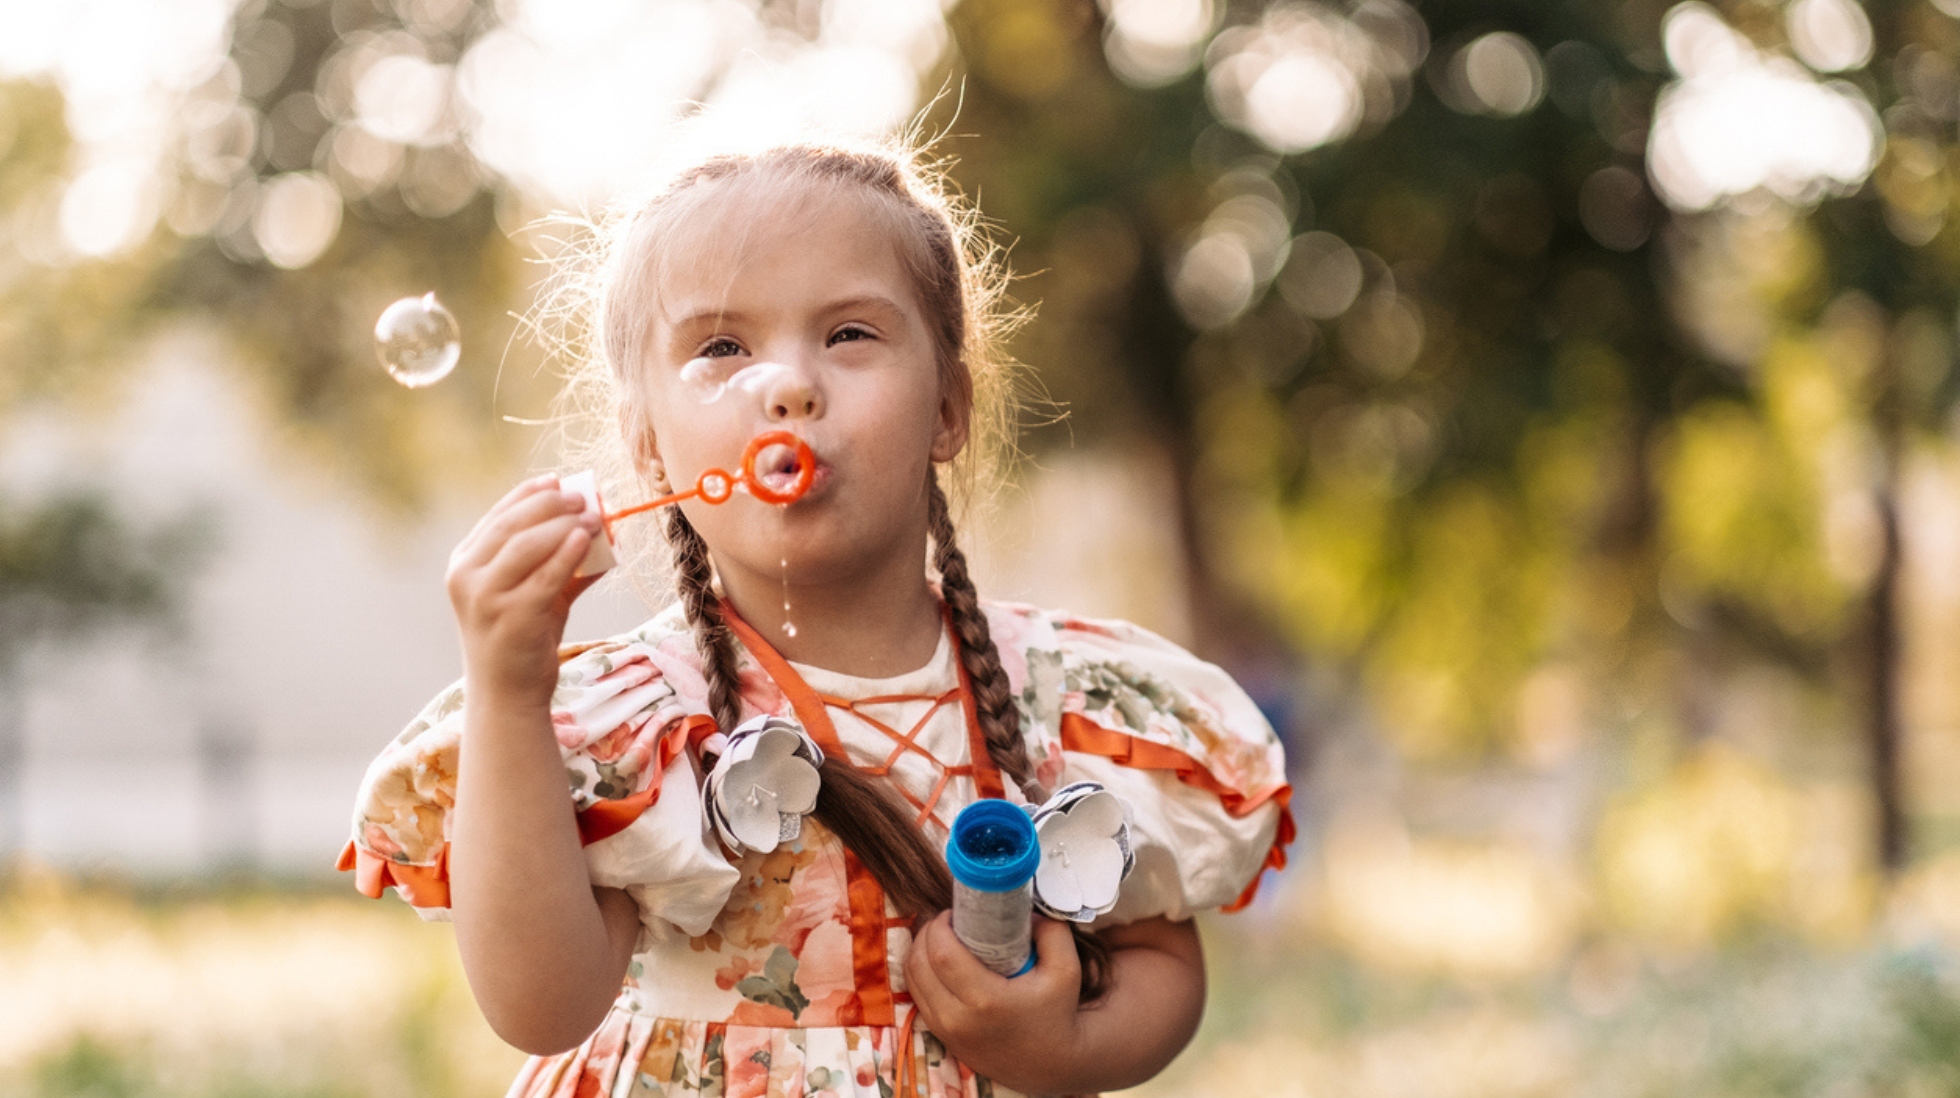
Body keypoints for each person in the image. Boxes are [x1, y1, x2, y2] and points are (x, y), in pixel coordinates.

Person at [339, 140, 1293, 1098]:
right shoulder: (635, 723)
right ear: (650, 448)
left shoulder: (1062, 695)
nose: (787, 386)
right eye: (721, 348)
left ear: (948, 410)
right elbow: (540, 1009)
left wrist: (1066, 1053)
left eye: (848, 335)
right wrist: (509, 690)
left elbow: (1162, 962)